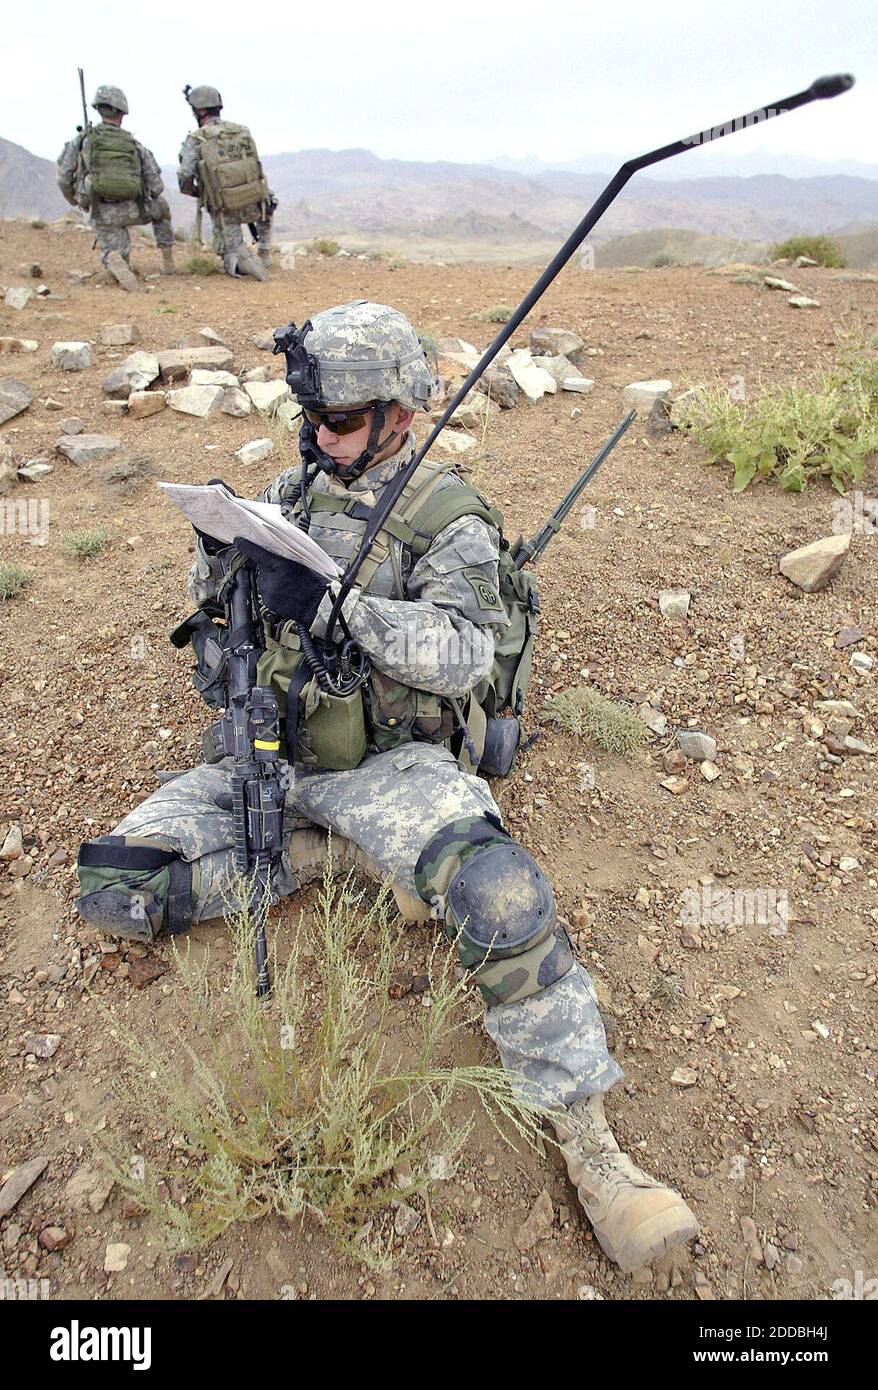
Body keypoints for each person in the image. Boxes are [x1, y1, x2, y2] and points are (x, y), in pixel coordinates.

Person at [75, 299, 698, 1273]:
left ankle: (594, 1150)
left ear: (399, 412)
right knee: (118, 885)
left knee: (499, 895)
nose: (318, 438)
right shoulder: (284, 493)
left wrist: (343, 608)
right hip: (268, 753)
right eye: (309, 417)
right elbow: (206, 664)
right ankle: (346, 864)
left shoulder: (447, 516)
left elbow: (459, 655)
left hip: (389, 764)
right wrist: (224, 609)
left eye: (341, 420)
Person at [57, 85, 175, 290]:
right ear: (121, 113)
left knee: (117, 251)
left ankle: (113, 257)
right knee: (161, 206)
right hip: (133, 209)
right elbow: (156, 186)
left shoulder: (83, 140)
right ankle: (167, 260)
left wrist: (76, 200)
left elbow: (64, 177)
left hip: (100, 211)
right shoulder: (134, 144)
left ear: (98, 109)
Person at [177, 84, 275, 281]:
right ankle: (264, 251)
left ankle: (241, 261)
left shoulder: (196, 138)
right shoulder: (241, 131)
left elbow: (185, 176)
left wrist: (199, 193)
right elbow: (256, 166)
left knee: (229, 250)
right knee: (268, 200)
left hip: (223, 207)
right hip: (254, 201)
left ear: (200, 110)